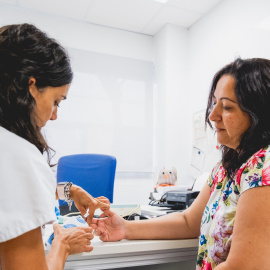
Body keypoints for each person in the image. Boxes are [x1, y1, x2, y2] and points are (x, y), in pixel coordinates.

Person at [90, 58, 270, 270]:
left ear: (259, 114)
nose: (212, 116)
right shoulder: (226, 166)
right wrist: (126, 227)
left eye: (227, 107)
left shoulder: (263, 167)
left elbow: (244, 266)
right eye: (214, 103)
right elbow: (188, 222)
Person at [0, 23, 109, 270]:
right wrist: (63, 245)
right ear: (31, 87)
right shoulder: (17, 153)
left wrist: (66, 191)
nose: (54, 115)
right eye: (56, 101)